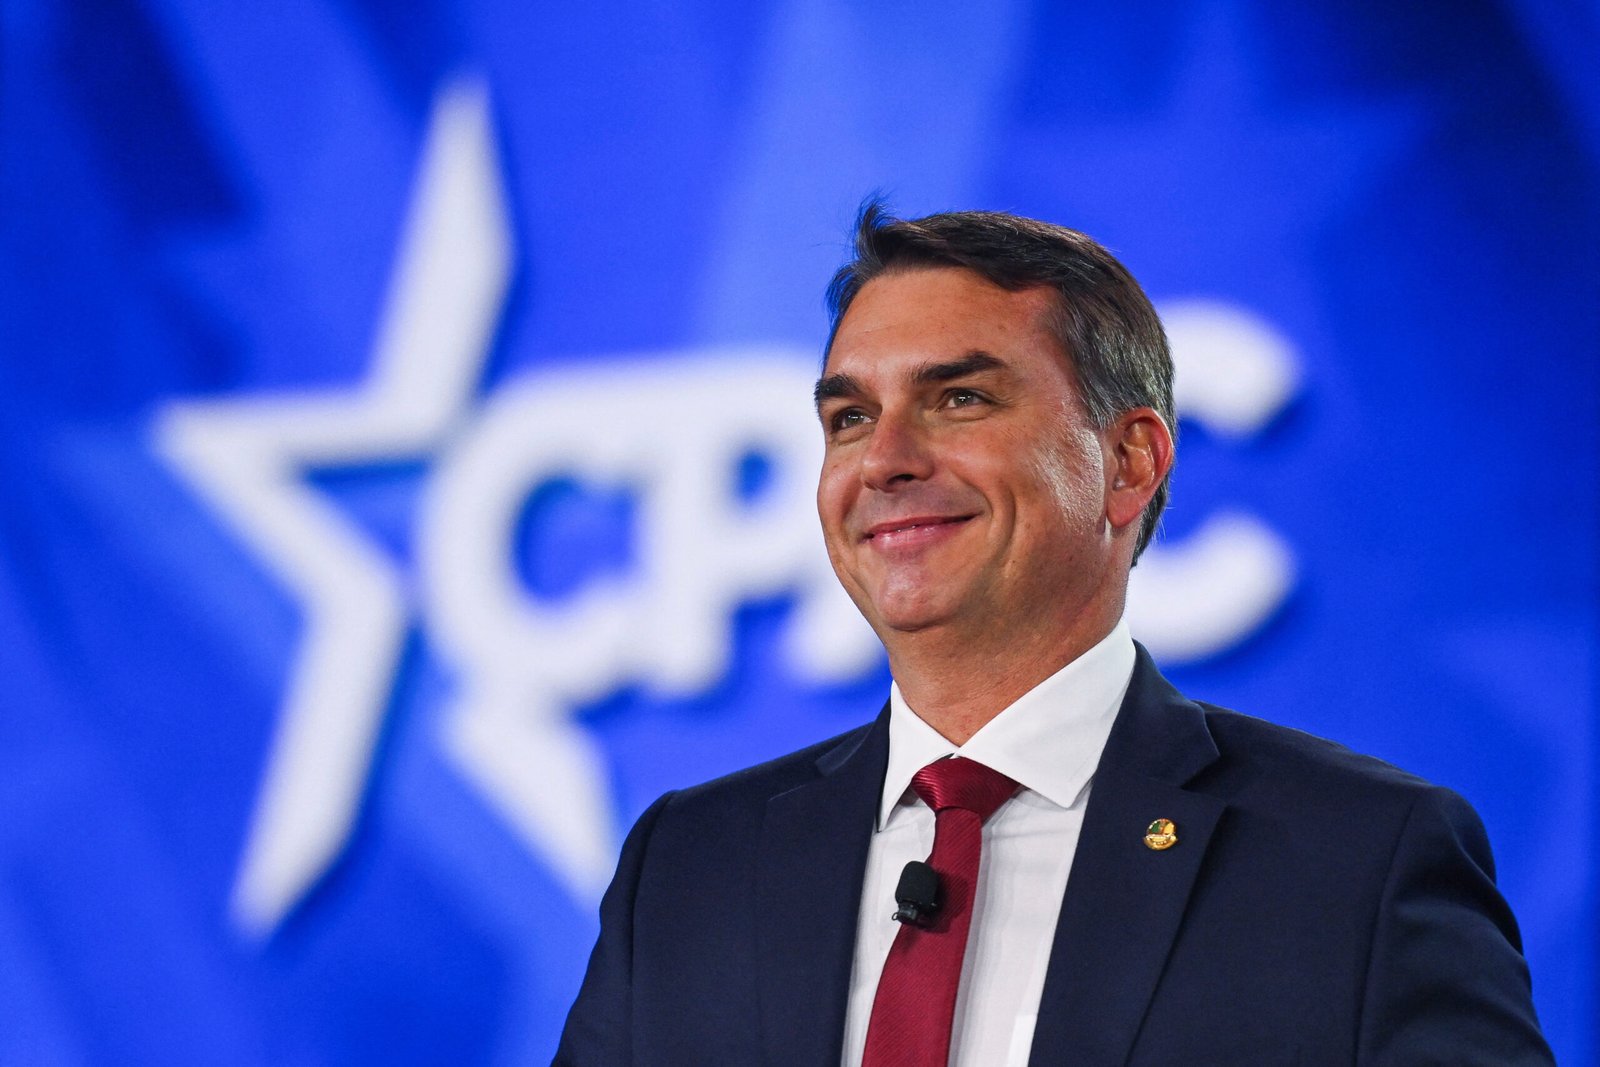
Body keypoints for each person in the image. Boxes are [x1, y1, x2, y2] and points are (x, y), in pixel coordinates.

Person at [555, 205, 1552, 1065]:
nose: (885, 459)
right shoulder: (689, 866)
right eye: (850, 417)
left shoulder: (1355, 861)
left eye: (959, 397)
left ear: (1128, 461)